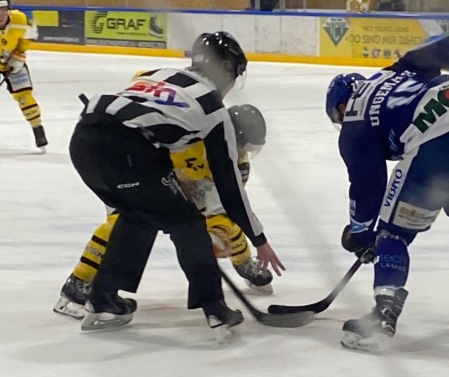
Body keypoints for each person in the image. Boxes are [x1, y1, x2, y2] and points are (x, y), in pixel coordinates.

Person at [68, 31, 284, 338]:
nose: (233, 82)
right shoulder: (213, 109)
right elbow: (229, 184)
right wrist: (258, 237)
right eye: (235, 73)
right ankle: (215, 309)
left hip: (83, 142)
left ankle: (103, 299)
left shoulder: (159, 73)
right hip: (129, 152)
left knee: (138, 216)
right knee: (187, 224)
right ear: (224, 68)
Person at [325, 34, 449, 353]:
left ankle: (383, 318)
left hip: (441, 141)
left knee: (392, 234)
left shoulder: (354, 116)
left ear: (340, 105)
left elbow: (368, 186)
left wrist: (361, 234)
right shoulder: (400, 71)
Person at [54, 104, 273, 320]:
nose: (244, 154)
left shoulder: (238, 163)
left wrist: (218, 234)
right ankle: (77, 284)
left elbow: (227, 205)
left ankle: (242, 261)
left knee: (224, 223)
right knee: (123, 223)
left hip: (178, 188)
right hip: (133, 173)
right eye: (243, 146)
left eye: (250, 150)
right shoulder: (190, 143)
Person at [0, 0, 47, 152]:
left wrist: (18, 54)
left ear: (9, 9)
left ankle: (38, 130)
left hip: (12, 60)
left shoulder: (20, 20)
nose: (0, 14)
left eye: (3, 9)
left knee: (24, 95)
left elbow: (30, 36)